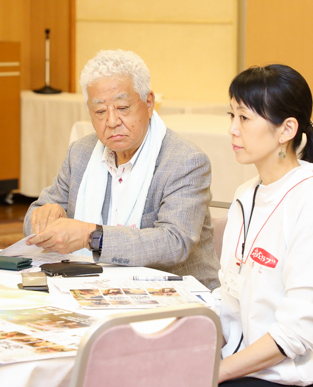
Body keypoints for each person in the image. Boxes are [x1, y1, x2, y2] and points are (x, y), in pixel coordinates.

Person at [217, 65, 313, 387]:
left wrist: (218, 372)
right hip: (258, 371)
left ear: (286, 129)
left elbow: (297, 333)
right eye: (231, 115)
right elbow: (229, 296)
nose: (232, 129)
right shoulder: (246, 195)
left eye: (244, 118)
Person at [23, 49, 220, 290]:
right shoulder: (81, 153)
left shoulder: (184, 161)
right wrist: (44, 218)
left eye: (123, 107)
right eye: (100, 111)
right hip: (95, 290)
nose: (112, 121)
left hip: (176, 295)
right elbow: (33, 217)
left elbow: (174, 243)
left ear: (149, 103)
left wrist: (91, 236)